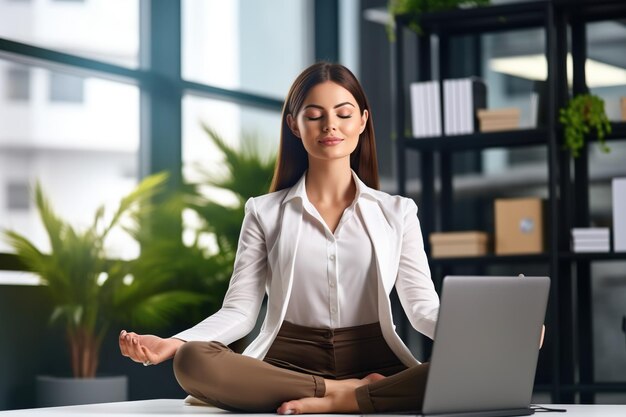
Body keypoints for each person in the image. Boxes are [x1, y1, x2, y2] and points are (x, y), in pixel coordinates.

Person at [119, 62, 440, 414]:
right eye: (314, 115)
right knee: (193, 359)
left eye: (343, 114)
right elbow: (240, 311)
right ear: (294, 124)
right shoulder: (264, 212)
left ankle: (347, 399)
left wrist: (480, 339)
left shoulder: (398, 212)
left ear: (362, 121)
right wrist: (174, 343)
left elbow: (422, 309)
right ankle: (347, 392)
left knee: (466, 373)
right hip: (287, 368)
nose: (330, 125)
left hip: (378, 362)